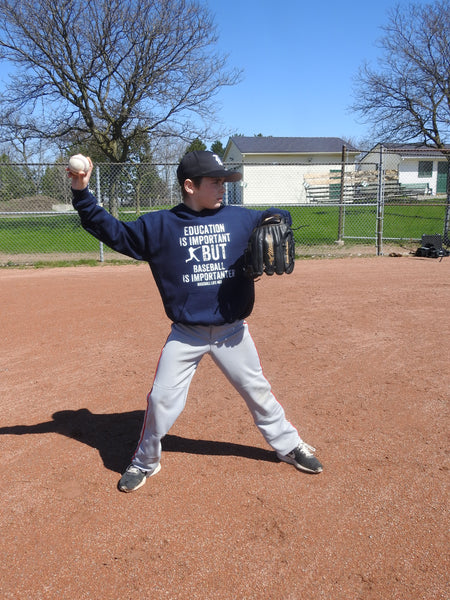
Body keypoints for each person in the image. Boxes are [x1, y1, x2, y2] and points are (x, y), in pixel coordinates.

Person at [69, 150, 323, 493]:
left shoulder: (240, 219)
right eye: (215, 182)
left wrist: (280, 221)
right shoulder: (158, 226)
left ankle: (288, 445)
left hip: (232, 332)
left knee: (257, 391)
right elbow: (112, 231)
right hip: (186, 333)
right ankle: (145, 461)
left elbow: (279, 215)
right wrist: (82, 194)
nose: (223, 187)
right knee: (161, 399)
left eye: (224, 181)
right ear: (190, 186)